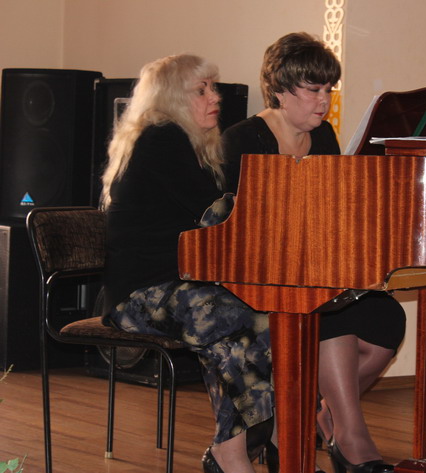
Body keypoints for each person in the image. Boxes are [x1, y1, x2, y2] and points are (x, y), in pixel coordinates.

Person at [222, 32, 406, 473]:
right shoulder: (242, 139)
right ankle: (350, 438)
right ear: (280, 90)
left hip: (313, 270)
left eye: (329, 90)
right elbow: (230, 226)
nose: (324, 101)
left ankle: (308, 415)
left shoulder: (323, 137)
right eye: (313, 90)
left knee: (387, 321)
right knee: (330, 314)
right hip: (256, 278)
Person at [100, 54, 275, 473]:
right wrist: (276, 214)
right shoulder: (160, 138)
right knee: (242, 316)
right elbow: (216, 214)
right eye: (201, 90)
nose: (215, 97)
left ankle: (235, 451)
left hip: (177, 286)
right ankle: (254, 444)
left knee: (239, 325)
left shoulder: (192, 145)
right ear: (172, 98)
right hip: (138, 296)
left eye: (213, 87)